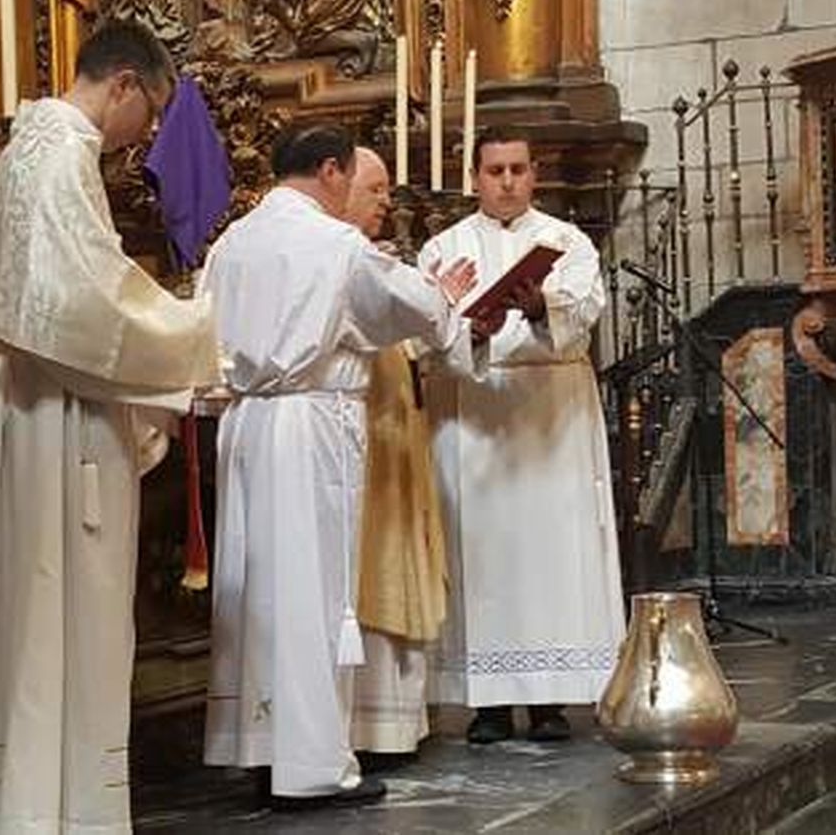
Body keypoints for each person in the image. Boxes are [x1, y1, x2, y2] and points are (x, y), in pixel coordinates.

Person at [0, 20, 220, 834]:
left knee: (28, 615)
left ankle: (23, 801)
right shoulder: (62, 153)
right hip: (61, 411)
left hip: (30, 402)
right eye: (155, 112)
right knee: (63, 613)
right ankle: (56, 812)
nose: (150, 136)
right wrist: (199, 328)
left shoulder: (26, 146)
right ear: (124, 83)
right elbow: (86, 307)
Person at [201, 123, 477, 808]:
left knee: (255, 590)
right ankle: (313, 765)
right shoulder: (333, 242)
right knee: (311, 591)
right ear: (329, 171)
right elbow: (406, 303)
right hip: (311, 420)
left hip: (243, 423)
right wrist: (442, 294)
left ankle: (262, 751)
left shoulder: (232, 241)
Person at [417, 128, 625, 744]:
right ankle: (485, 702)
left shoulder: (567, 241)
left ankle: (551, 699)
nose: (506, 182)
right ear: (473, 176)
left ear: (534, 174)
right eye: (494, 171)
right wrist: (475, 329)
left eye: (517, 170)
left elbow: (585, 308)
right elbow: (428, 330)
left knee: (554, 549)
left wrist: (537, 308)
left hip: (551, 417)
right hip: (474, 416)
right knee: (480, 553)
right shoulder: (442, 248)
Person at [339, 146, 447, 760]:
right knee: (368, 569)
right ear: (339, 185)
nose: (387, 202)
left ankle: (400, 722)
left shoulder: (377, 261)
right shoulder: (341, 259)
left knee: (399, 558)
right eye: (375, 190)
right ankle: (367, 725)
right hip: (363, 437)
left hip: (399, 434)